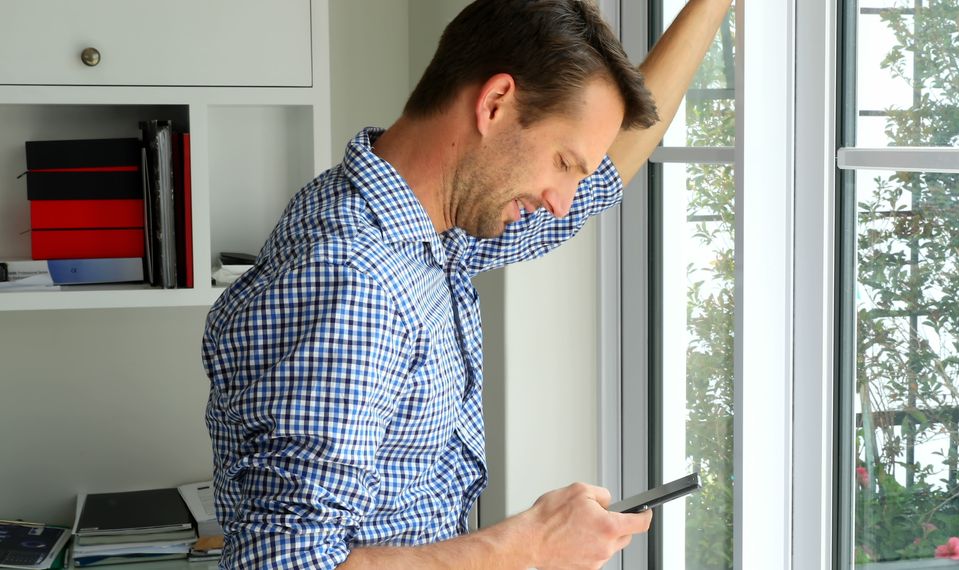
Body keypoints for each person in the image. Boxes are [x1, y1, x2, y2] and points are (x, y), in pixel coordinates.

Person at [201, 0, 731, 567]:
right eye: (561, 162)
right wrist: (530, 545)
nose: (560, 201)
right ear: (496, 102)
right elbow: (284, 561)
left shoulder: (424, 232)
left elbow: (603, 178)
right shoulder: (351, 280)